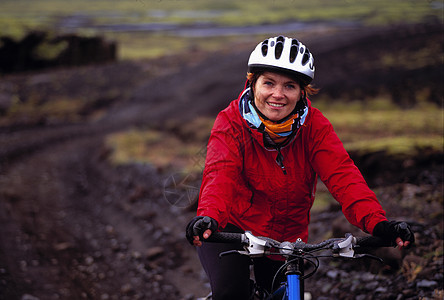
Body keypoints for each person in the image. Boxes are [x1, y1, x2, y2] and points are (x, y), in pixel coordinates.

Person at [186, 36, 414, 299]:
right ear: (252, 83)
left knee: (288, 294)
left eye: (290, 86)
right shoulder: (230, 122)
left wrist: (379, 224)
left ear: (302, 91)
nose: (278, 94)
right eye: (268, 83)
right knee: (231, 293)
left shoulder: (315, 126)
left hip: (286, 236)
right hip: (229, 227)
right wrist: (210, 217)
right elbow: (220, 175)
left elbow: (344, 177)